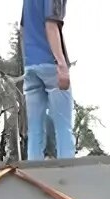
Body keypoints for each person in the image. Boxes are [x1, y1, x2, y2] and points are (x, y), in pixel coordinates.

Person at [21, 0, 74, 160]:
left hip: (30, 65)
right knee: (63, 127)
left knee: (35, 129)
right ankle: (68, 172)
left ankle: (33, 173)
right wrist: (61, 63)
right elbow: (51, 24)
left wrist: (28, 62)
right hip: (50, 64)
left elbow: (22, 29)